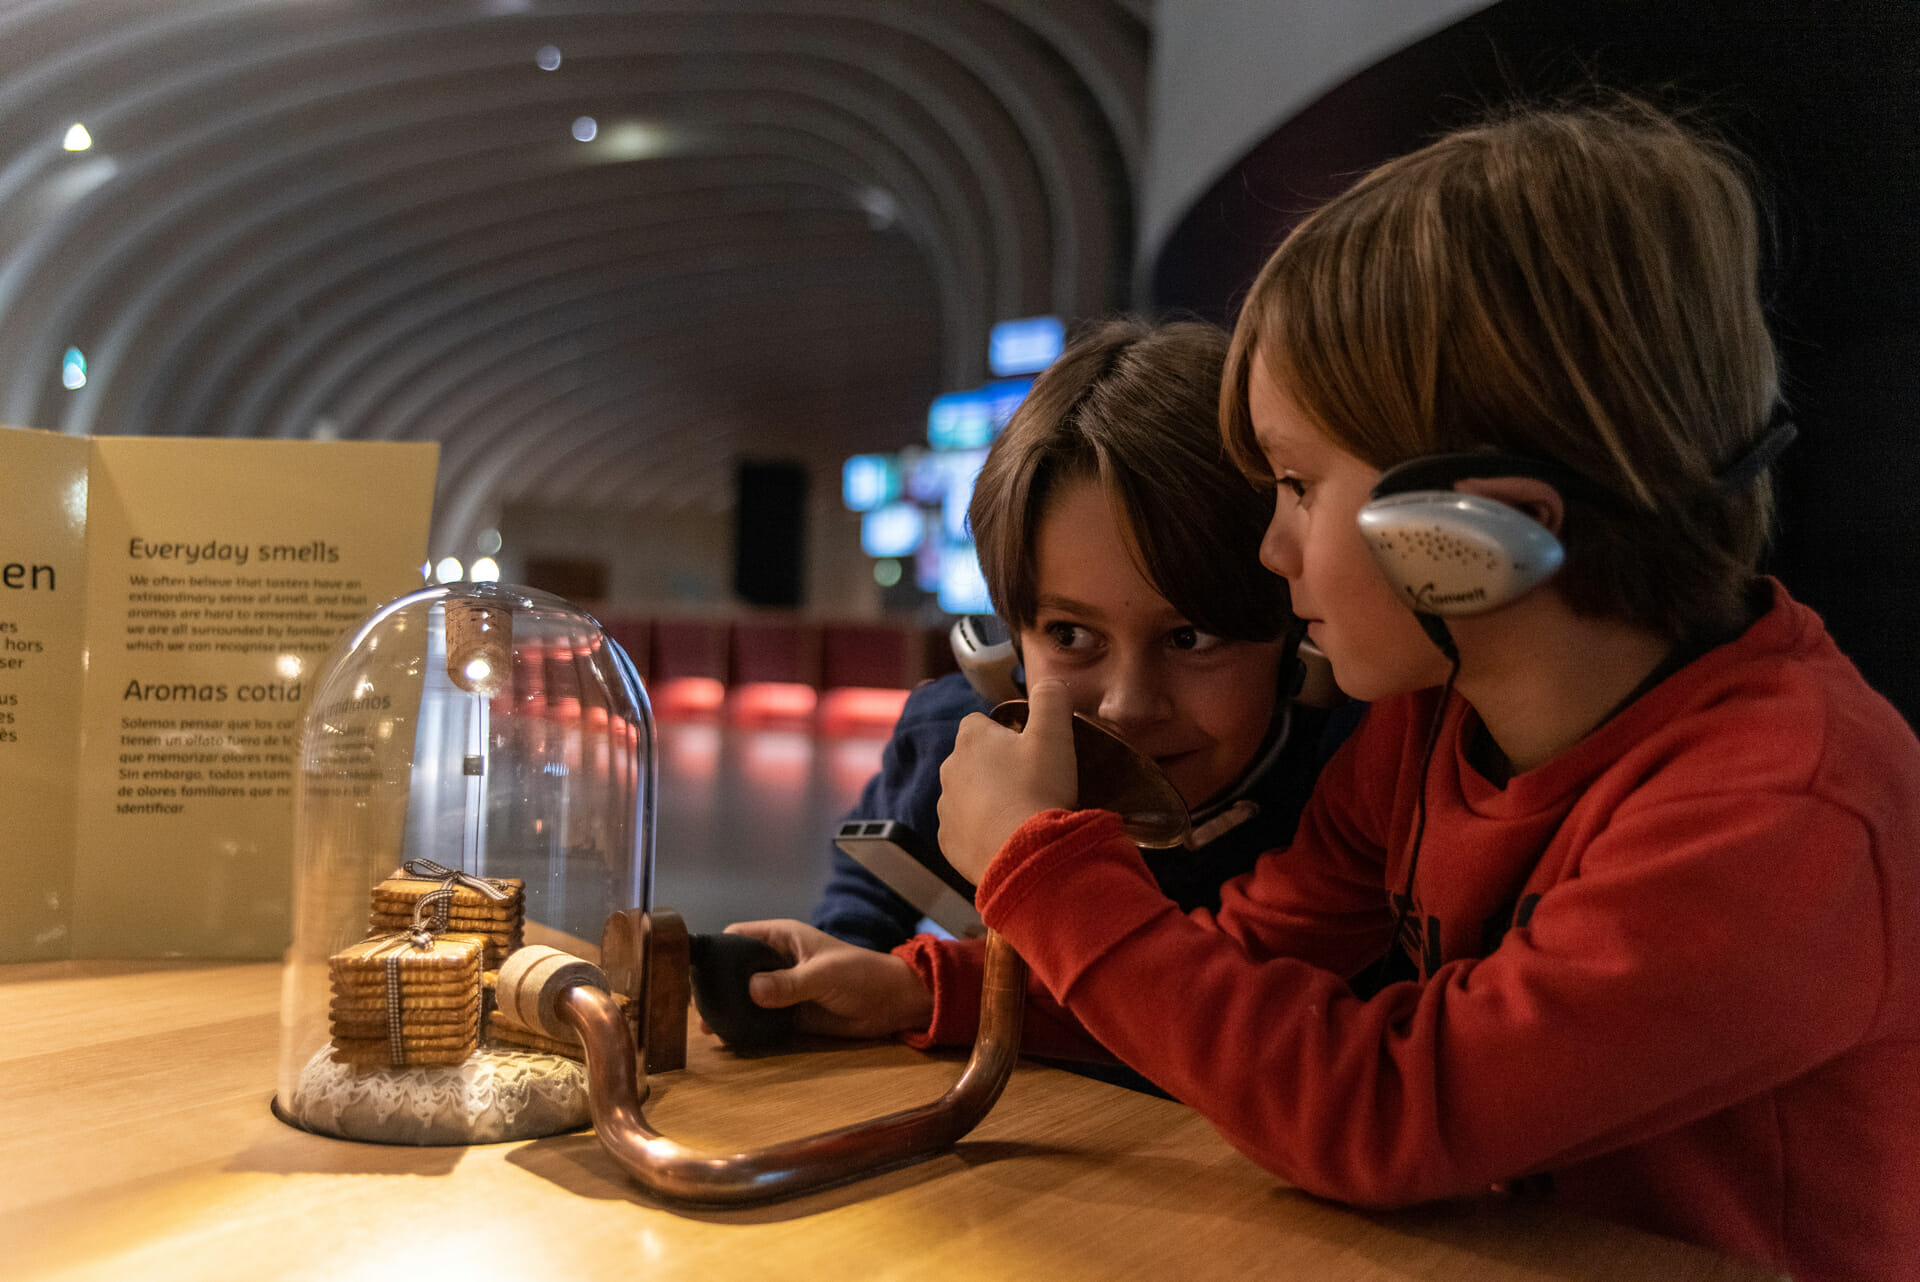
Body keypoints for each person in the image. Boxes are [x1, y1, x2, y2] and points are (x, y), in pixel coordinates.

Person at [735, 100, 1920, 1281]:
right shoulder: (1426, 731)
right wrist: (919, 985)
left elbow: (1389, 1115)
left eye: (1299, 486)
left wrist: (1043, 865)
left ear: (1477, 530)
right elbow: (1236, 984)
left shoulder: (1782, 811)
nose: (1273, 550)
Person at [749, 315, 1358, 1052]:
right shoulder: (954, 742)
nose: (1128, 705)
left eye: (1191, 638)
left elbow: (1228, 1010)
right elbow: (859, 915)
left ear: (1293, 638)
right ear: (1005, 646)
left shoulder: (1352, 778)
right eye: (1071, 636)